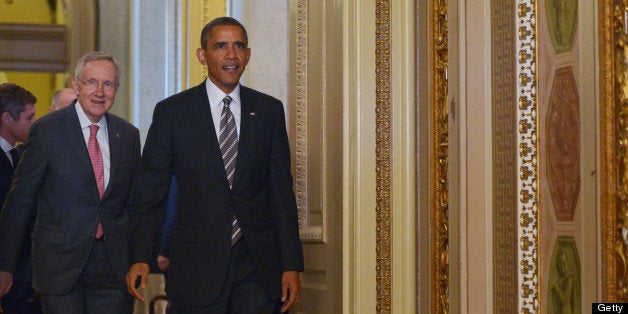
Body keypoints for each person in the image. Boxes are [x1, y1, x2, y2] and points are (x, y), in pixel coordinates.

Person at [126, 17, 304, 313]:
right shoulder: (173, 112)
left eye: (238, 46)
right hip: (196, 267)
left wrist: (291, 264)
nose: (231, 55)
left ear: (248, 54)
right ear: (202, 55)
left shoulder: (269, 110)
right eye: (220, 46)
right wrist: (140, 255)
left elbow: (281, 194)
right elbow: (150, 193)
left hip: (257, 267)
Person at [0, 51, 141, 314]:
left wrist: (140, 258)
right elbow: (20, 200)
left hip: (113, 269)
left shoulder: (129, 136)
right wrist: (5, 266)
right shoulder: (46, 131)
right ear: (77, 85)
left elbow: (136, 204)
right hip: (59, 267)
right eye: (91, 82)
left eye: (108, 84)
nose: (100, 91)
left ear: (117, 89)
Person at [0, 83, 40, 314]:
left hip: (21, 276)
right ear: (7, 119)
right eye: (29, 117)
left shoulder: (17, 155)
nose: (35, 123)